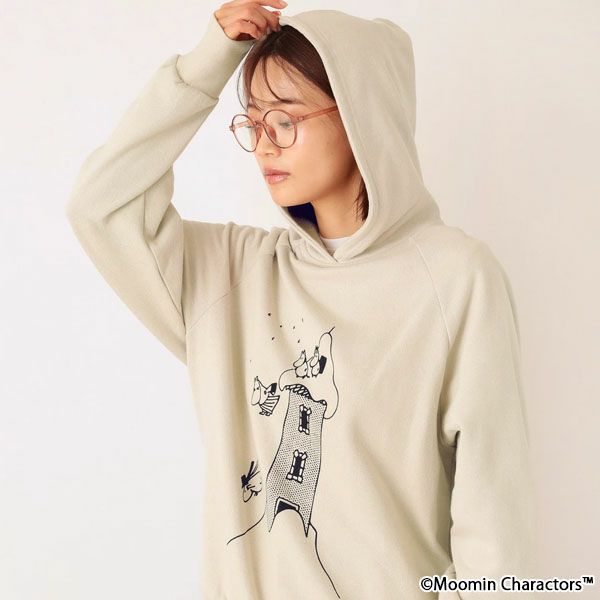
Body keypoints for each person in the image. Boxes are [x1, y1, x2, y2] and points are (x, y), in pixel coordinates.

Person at [65, 2, 538, 598]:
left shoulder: (455, 277)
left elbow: (494, 518)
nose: (264, 144)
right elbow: (101, 206)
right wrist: (208, 64)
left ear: (362, 115)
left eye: (285, 119)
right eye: (253, 122)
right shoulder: (229, 275)